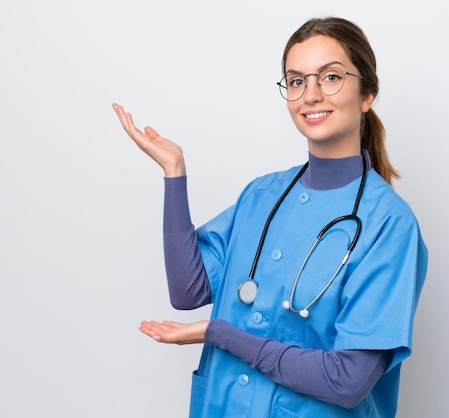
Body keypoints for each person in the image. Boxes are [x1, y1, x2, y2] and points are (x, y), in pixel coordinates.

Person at [112, 16, 427, 418]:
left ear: (366, 94)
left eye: (330, 77)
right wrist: (174, 172)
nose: (311, 95)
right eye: (296, 81)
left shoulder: (389, 225)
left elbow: (347, 381)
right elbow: (188, 292)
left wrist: (223, 334)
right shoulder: (262, 196)